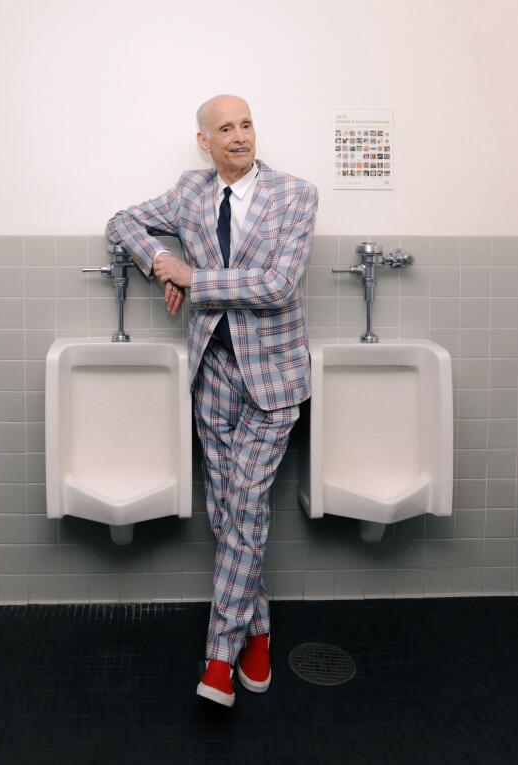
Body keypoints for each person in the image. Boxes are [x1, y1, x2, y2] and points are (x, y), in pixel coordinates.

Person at [106, 95, 318, 707]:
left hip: (272, 378)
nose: (239, 136)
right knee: (228, 512)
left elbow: (276, 285)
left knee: (245, 505)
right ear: (205, 141)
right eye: (225, 128)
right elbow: (122, 222)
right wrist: (160, 262)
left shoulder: (295, 196)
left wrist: (191, 277)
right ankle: (259, 633)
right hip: (214, 371)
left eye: (246, 124)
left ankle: (220, 656)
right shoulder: (190, 193)